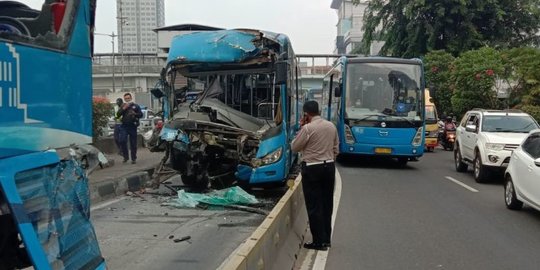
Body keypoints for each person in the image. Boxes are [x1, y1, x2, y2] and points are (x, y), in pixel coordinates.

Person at [292, 100, 339, 251]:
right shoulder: (331, 126)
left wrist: (301, 127)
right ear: (318, 111)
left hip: (312, 168)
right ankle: (326, 239)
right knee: (327, 204)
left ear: (306, 114)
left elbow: (295, 147)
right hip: (329, 167)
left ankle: (318, 242)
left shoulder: (307, 128)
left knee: (314, 205)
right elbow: (336, 148)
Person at [116, 93, 143, 164]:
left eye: (128, 98)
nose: (127, 99)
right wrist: (124, 108)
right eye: (126, 98)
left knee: (133, 143)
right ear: (124, 99)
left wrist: (135, 114)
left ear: (131, 98)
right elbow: (118, 115)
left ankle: (133, 158)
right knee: (122, 140)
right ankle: (125, 156)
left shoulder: (136, 106)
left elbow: (141, 115)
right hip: (124, 126)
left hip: (133, 126)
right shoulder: (123, 106)